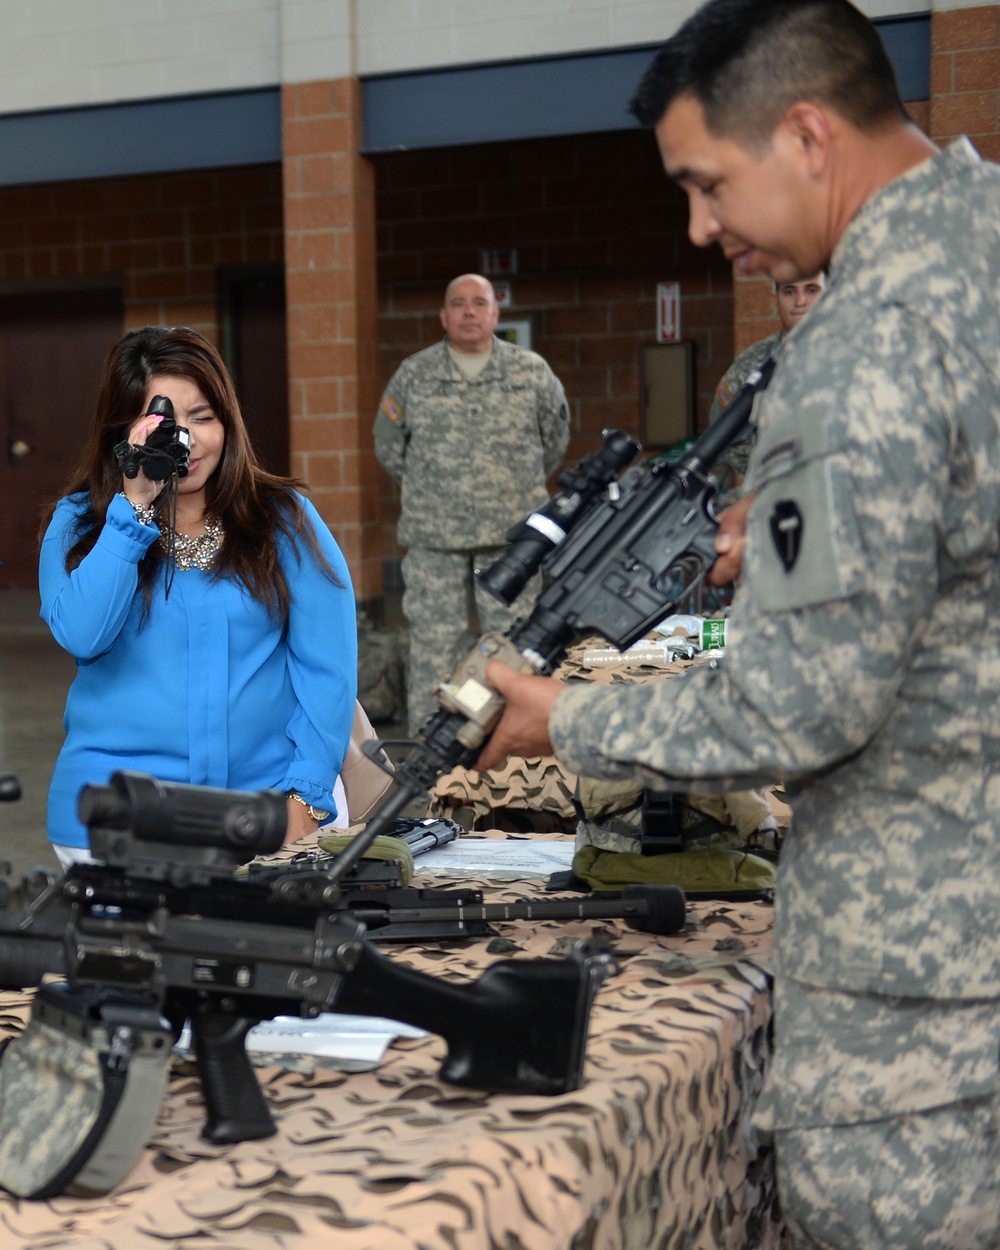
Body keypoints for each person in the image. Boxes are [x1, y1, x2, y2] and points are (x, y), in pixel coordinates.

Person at [477, 2, 1000, 1246]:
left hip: (921, 996)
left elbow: (800, 701)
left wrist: (570, 719)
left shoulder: (860, 342)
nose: (701, 229)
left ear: (808, 136)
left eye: (707, 183)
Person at [39, 326, 357, 864]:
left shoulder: (282, 519)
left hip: (268, 812)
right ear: (126, 430)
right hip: (119, 822)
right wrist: (133, 507)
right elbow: (82, 635)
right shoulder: (81, 525)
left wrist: (305, 798)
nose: (185, 440)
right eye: (163, 422)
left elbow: (328, 668)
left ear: (228, 422)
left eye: (203, 418)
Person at [374, 273, 570, 733]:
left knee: (514, 644)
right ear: (443, 316)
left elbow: (554, 440)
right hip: (434, 536)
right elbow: (388, 445)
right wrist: (435, 489)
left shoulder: (530, 372)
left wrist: (512, 485)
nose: (468, 312)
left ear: (495, 314)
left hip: (511, 537)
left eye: (478, 303)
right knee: (433, 645)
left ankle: (511, 747)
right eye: (458, 304)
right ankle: (430, 752)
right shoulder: (415, 374)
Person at [709, 272, 826, 483]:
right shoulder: (751, 365)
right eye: (789, 292)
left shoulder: (853, 359)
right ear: (775, 301)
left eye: (811, 290)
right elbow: (721, 432)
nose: (800, 301)